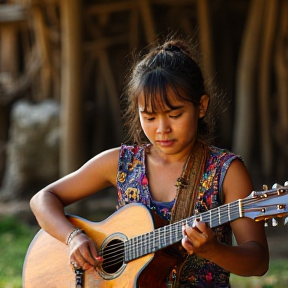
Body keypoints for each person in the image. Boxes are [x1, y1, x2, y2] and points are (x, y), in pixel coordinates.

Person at [30, 36, 269, 288]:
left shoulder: (226, 172)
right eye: (150, 117)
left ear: (201, 106)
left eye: (175, 114)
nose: (162, 129)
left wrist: (214, 250)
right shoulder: (122, 163)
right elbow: (42, 199)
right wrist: (73, 238)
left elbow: (259, 261)